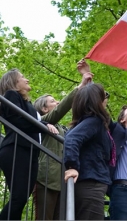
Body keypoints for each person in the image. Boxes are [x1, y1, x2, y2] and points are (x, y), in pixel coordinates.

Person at [32, 68, 93, 220]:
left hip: (65, 183)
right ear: (44, 109)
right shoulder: (41, 123)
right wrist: (80, 86)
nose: (57, 102)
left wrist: (88, 90)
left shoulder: (63, 128)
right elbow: (60, 111)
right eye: (53, 101)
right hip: (46, 180)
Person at [0, 69, 58, 220]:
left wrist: (44, 124)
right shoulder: (11, 95)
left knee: (21, 198)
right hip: (16, 149)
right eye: (22, 77)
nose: (27, 80)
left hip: (30, 151)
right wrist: (43, 126)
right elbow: (20, 121)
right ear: (14, 82)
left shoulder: (26, 101)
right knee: (19, 197)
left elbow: (32, 121)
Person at [64, 83, 115, 220]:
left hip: (92, 183)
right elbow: (72, 139)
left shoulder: (89, 122)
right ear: (97, 100)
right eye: (105, 95)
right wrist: (72, 166)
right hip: (90, 184)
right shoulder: (94, 121)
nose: (107, 99)